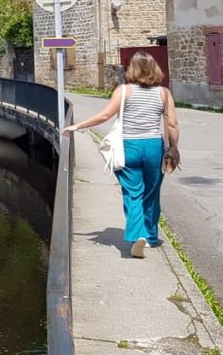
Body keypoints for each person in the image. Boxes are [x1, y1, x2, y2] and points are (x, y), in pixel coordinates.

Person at [64, 52, 180, 259]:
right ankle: (151, 237)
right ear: (155, 69)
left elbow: (105, 115)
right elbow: (171, 124)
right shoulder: (164, 93)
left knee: (133, 192)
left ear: (131, 69)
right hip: (154, 146)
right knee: (151, 193)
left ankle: (137, 236)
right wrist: (173, 146)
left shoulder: (124, 91)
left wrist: (77, 126)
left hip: (128, 147)